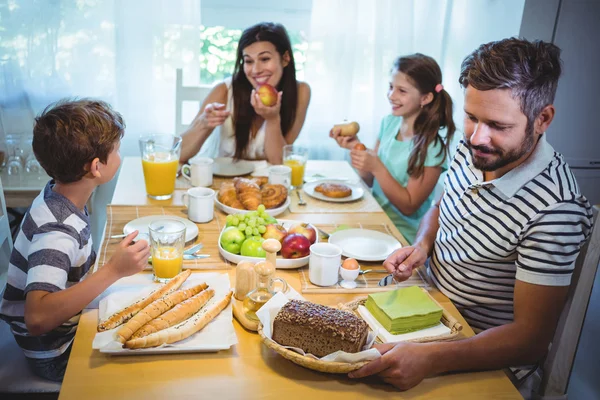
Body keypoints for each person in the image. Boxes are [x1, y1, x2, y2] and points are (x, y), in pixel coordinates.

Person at [348, 38, 593, 393]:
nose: (477, 137)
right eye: (471, 117)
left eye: (497, 125)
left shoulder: (556, 208)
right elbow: (440, 205)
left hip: (473, 353)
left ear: (543, 119)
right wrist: (423, 244)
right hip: (427, 307)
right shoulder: (475, 149)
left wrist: (430, 358)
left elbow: (530, 340)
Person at [0, 100, 150, 381]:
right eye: (116, 150)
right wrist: (113, 271)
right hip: (55, 353)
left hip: (66, 331)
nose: (119, 155)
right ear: (96, 167)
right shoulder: (56, 231)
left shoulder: (60, 194)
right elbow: (37, 318)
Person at [331, 54, 455, 244]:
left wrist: (376, 166)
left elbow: (409, 206)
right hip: (374, 216)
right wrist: (356, 147)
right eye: (390, 87)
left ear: (426, 97)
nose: (391, 95)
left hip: (400, 235)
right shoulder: (389, 123)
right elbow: (370, 180)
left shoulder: (432, 148)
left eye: (402, 91)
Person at [180, 22, 311, 165]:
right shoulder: (224, 90)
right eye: (248, 61)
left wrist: (272, 119)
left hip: (269, 183)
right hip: (222, 181)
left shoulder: (301, 92)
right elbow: (178, 155)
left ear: (285, 58)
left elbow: (279, 163)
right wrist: (203, 124)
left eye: (265, 59)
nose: (256, 70)